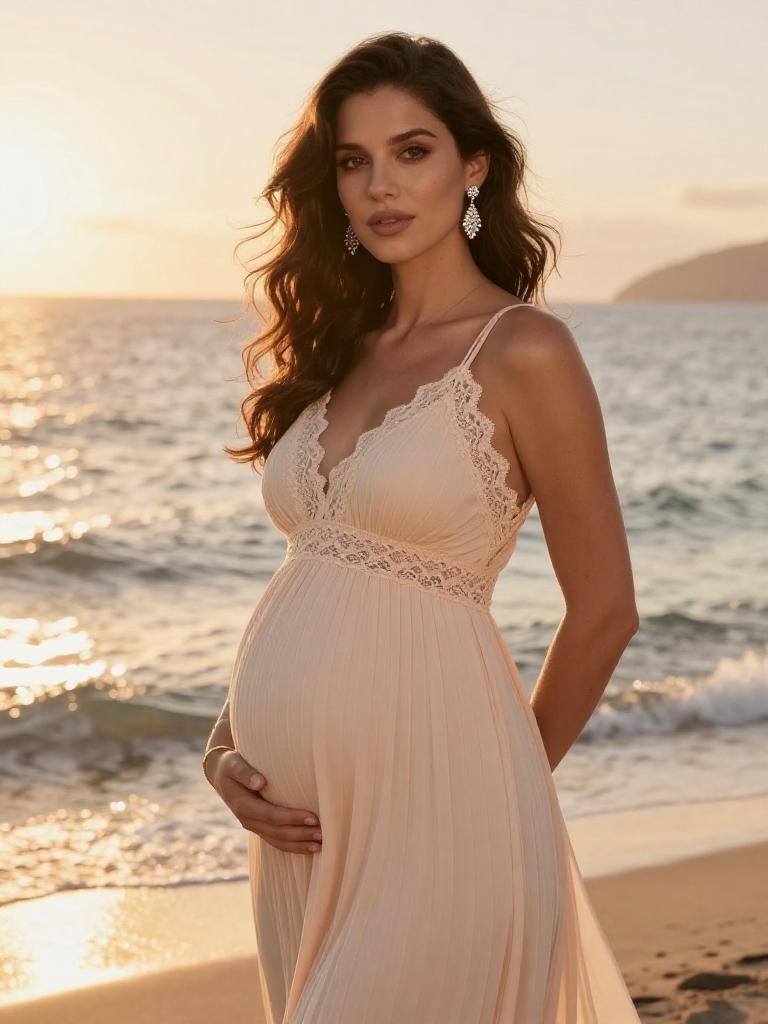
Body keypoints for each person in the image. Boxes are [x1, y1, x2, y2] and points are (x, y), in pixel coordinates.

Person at [203, 30, 641, 1024]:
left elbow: (606, 610)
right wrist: (222, 746)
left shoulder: (525, 350)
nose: (379, 185)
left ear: (473, 165)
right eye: (353, 161)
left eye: (413, 150)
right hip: (297, 836)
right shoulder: (338, 349)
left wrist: (499, 789)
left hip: (443, 818)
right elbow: (318, 581)